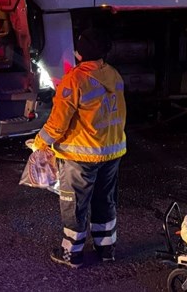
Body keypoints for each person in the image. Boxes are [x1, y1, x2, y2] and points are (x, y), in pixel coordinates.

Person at [31, 28, 127, 268]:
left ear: (81, 53)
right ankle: (107, 250)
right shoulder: (113, 75)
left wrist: (39, 144)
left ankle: (71, 254)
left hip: (81, 156)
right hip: (112, 151)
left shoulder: (74, 80)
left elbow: (57, 124)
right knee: (105, 200)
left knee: (74, 204)